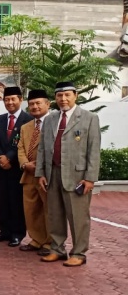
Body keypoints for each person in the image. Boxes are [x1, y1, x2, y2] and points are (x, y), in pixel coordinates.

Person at [37, 82, 101, 267]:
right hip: (53, 173)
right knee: (55, 215)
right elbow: (42, 148)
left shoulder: (89, 118)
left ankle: (79, 253)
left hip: (77, 176)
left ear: (75, 95)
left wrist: (90, 178)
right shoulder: (50, 119)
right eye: (59, 95)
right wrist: (41, 172)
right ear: (55, 98)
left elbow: (94, 150)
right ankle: (57, 249)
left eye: (67, 95)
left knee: (78, 217)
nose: (63, 99)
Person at [0, 86, 32, 246]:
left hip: (17, 168)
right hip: (1, 167)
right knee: (3, 201)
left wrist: (9, 157)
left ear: (20, 100)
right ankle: (4, 231)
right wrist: (1, 157)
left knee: (17, 201)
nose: (10, 102)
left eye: (13, 99)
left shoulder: (28, 119)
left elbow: (24, 143)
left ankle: (17, 233)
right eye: (6, 99)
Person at [17, 89, 52, 255]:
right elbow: (21, 148)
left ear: (47, 104)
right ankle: (36, 240)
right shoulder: (26, 127)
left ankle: (50, 242)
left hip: (47, 175)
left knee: (49, 210)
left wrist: (39, 166)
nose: (35, 106)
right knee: (31, 210)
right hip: (28, 174)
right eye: (31, 104)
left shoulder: (55, 123)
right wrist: (25, 164)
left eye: (38, 103)